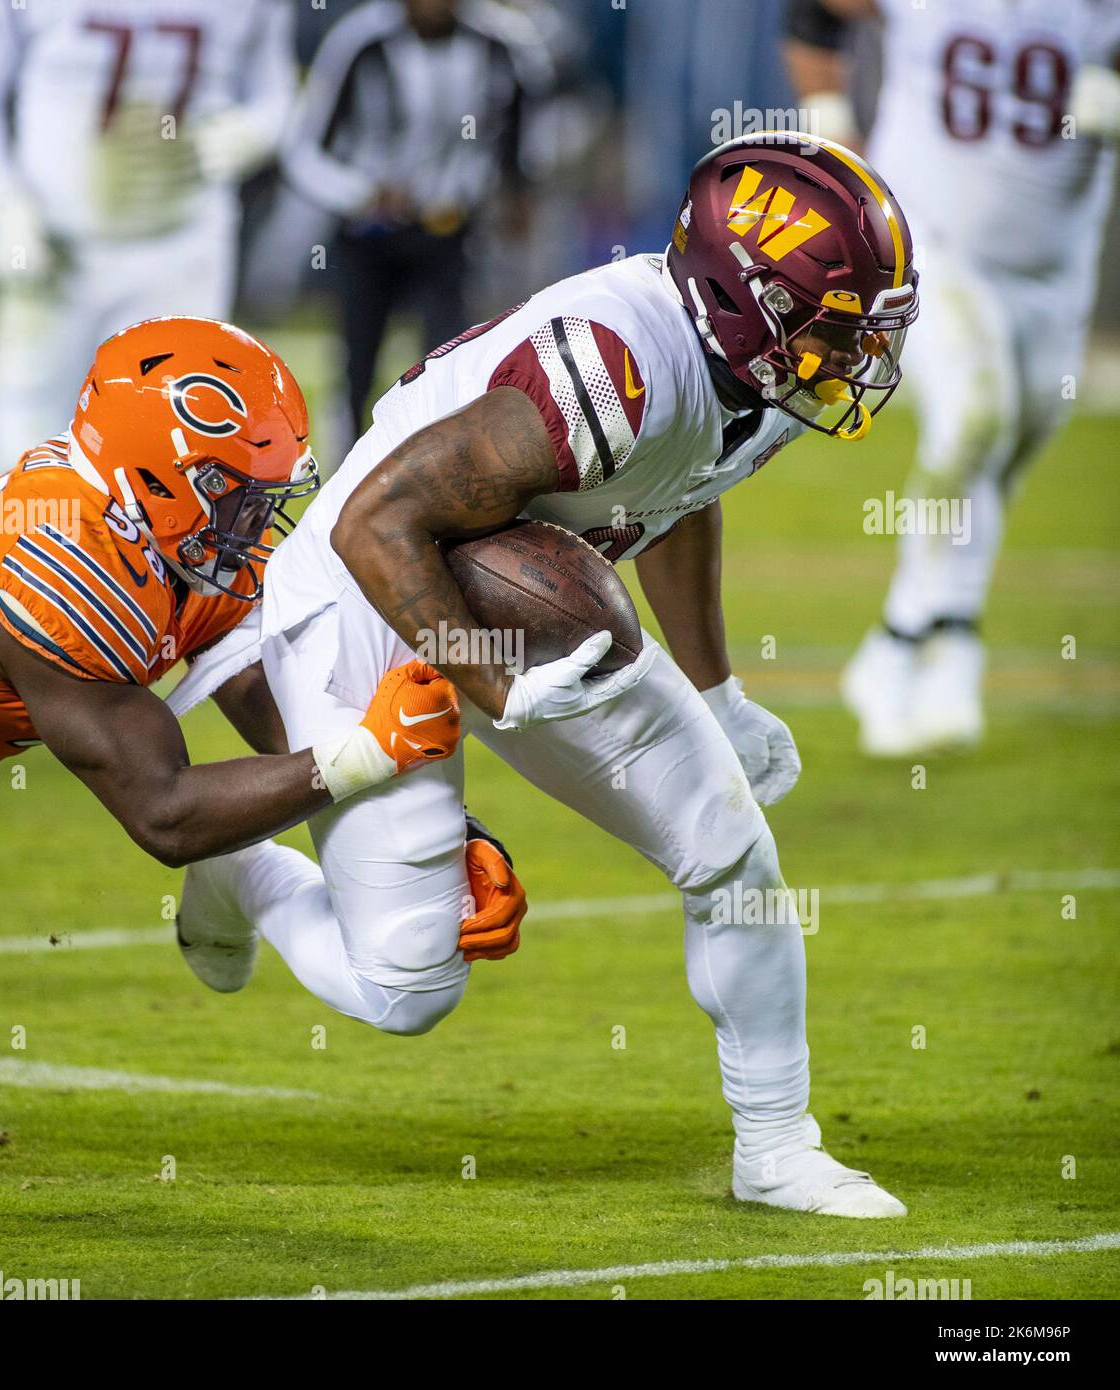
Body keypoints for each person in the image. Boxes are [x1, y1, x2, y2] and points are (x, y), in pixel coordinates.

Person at [174, 133, 920, 1216]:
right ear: (742, 297)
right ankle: (242, 869)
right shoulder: (611, 368)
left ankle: (775, 1145)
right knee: (408, 984)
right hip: (371, 597)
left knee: (730, 849)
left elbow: (676, 494)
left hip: (521, 591)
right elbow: (380, 522)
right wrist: (496, 689)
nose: (851, 359)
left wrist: (717, 695)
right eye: (834, 328)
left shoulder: (748, 371)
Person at [0, 315, 524, 967]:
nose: (256, 521)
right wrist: (369, 752)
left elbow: (272, 693)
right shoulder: (70, 568)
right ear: (157, 474)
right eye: (238, 494)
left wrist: (448, 830)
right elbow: (167, 816)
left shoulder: (154, 526)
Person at [785, 0, 1120, 754]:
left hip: (1058, 264)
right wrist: (831, 116)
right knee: (975, 417)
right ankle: (931, 639)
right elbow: (812, 12)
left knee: (1010, 443)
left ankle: (916, 640)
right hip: (934, 242)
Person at [0, 0, 298, 482]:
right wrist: (3, 202)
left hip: (183, 245)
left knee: (173, 458)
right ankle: (19, 556)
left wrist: (253, 132)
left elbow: (277, 92)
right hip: (56, 242)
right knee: (24, 457)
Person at [281, 0, 550, 438]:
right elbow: (303, 150)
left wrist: (516, 191)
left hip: (449, 228)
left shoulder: (503, 43)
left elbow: (527, 129)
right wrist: (363, 192)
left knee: (450, 358)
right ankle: (349, 467)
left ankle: (438, 468)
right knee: (358, 360)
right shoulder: (359, 41)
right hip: (369, 232)